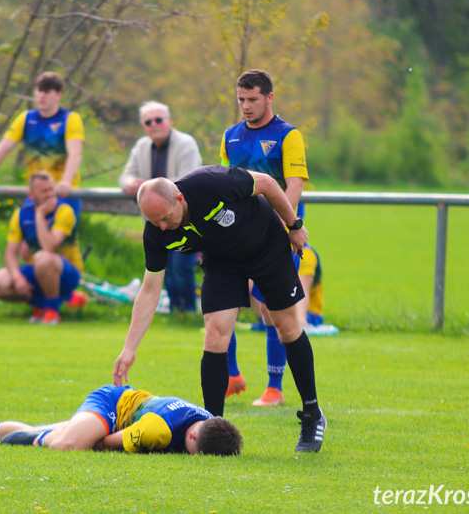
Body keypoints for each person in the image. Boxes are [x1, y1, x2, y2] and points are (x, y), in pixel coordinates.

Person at [112, 165, 326, 453]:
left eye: (165, 218)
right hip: (222, 262)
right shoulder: (156, 232)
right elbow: (150, 290)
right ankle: (212, 428)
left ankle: (312, 414)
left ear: (179, 198)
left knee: (286, 327)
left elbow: (266, 183)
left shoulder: (211, 183)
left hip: (265, 246)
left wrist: (294, 225)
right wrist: (130, 347)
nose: (162, 227)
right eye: (154, 221)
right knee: (214, 335)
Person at [219, 69, 308, 406]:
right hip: (235, 235)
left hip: (274, 235)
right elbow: (224, 183)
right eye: (241, 99)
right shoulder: (230, 136)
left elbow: (294, 186)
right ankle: (231, 375)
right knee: (221, 304)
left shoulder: (289, 135)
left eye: (252, 99)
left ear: (269, 97)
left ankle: (275, 387)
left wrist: (287, 226)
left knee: (271, 311)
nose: (245, 106)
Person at [0, 384, 243, 456]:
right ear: (191, 438)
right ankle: (35, 440)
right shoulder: (159, 430)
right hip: (113, 405)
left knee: (50, 430)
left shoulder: (214, 425)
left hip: (131, 414)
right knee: (69, 444)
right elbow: (104, 443)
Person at [119, 101, 202, 312]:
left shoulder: (186, 143)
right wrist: (130, 184)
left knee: (180, 267)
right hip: (157, 222)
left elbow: (188, 179)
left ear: (169, 121)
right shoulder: (141, 146)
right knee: (166, 270)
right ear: (143, 125)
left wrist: (148, 186)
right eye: (148, 122)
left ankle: (188, 311)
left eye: (158, 119)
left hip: (183, 218)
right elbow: (125, 175)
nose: (153, 124)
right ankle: (177, 311)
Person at [0, 72, 84, 213]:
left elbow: (75, 153)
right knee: (26, 233)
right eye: (39, 90)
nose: (42, 95)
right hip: (36, 193)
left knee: (56, 235)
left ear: (59, 95)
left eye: (47, 92)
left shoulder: (70, 119)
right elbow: (3, 149)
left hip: (62, 193)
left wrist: (66, 182)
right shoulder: (26, 118)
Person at [0, 171, 84, 326]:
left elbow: (49, 246)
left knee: (42, 258)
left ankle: (52, 312)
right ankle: (42, 305)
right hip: (37, 271)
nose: (50, 194)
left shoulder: (64, 211)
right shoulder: (21, 214)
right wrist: (17, 278)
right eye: (44, 191)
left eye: (52, 189)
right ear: (31, 195)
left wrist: (39, 215)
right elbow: (10, 253)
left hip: (68, 272)